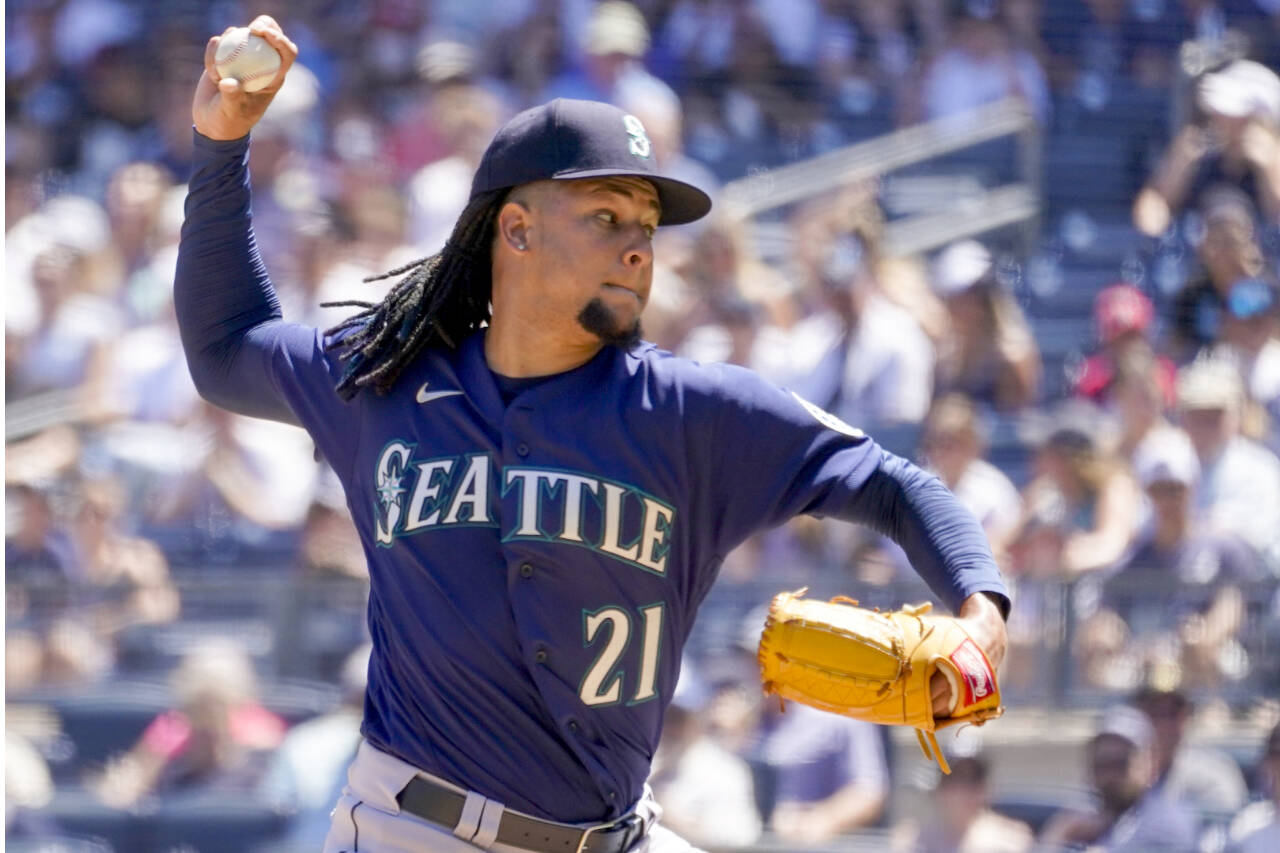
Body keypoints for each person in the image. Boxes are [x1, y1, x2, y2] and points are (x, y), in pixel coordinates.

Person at [177, 17, 1009, 853]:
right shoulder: (389, 378)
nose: (639, 248)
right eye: (607, 217)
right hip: (416, 829)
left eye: (647, 225)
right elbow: (224, 352)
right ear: (518, 229)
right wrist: (222, 151)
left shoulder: (692, 413)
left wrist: (981, 606)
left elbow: (898, 485)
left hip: (619, 835)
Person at [1039, 705, 1199, 852]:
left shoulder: (1167, 822)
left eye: (1121, 763)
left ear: (1151, 762)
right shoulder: (1084, 814)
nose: (1111, 775)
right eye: (1101, 764)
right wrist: (1058, 835)